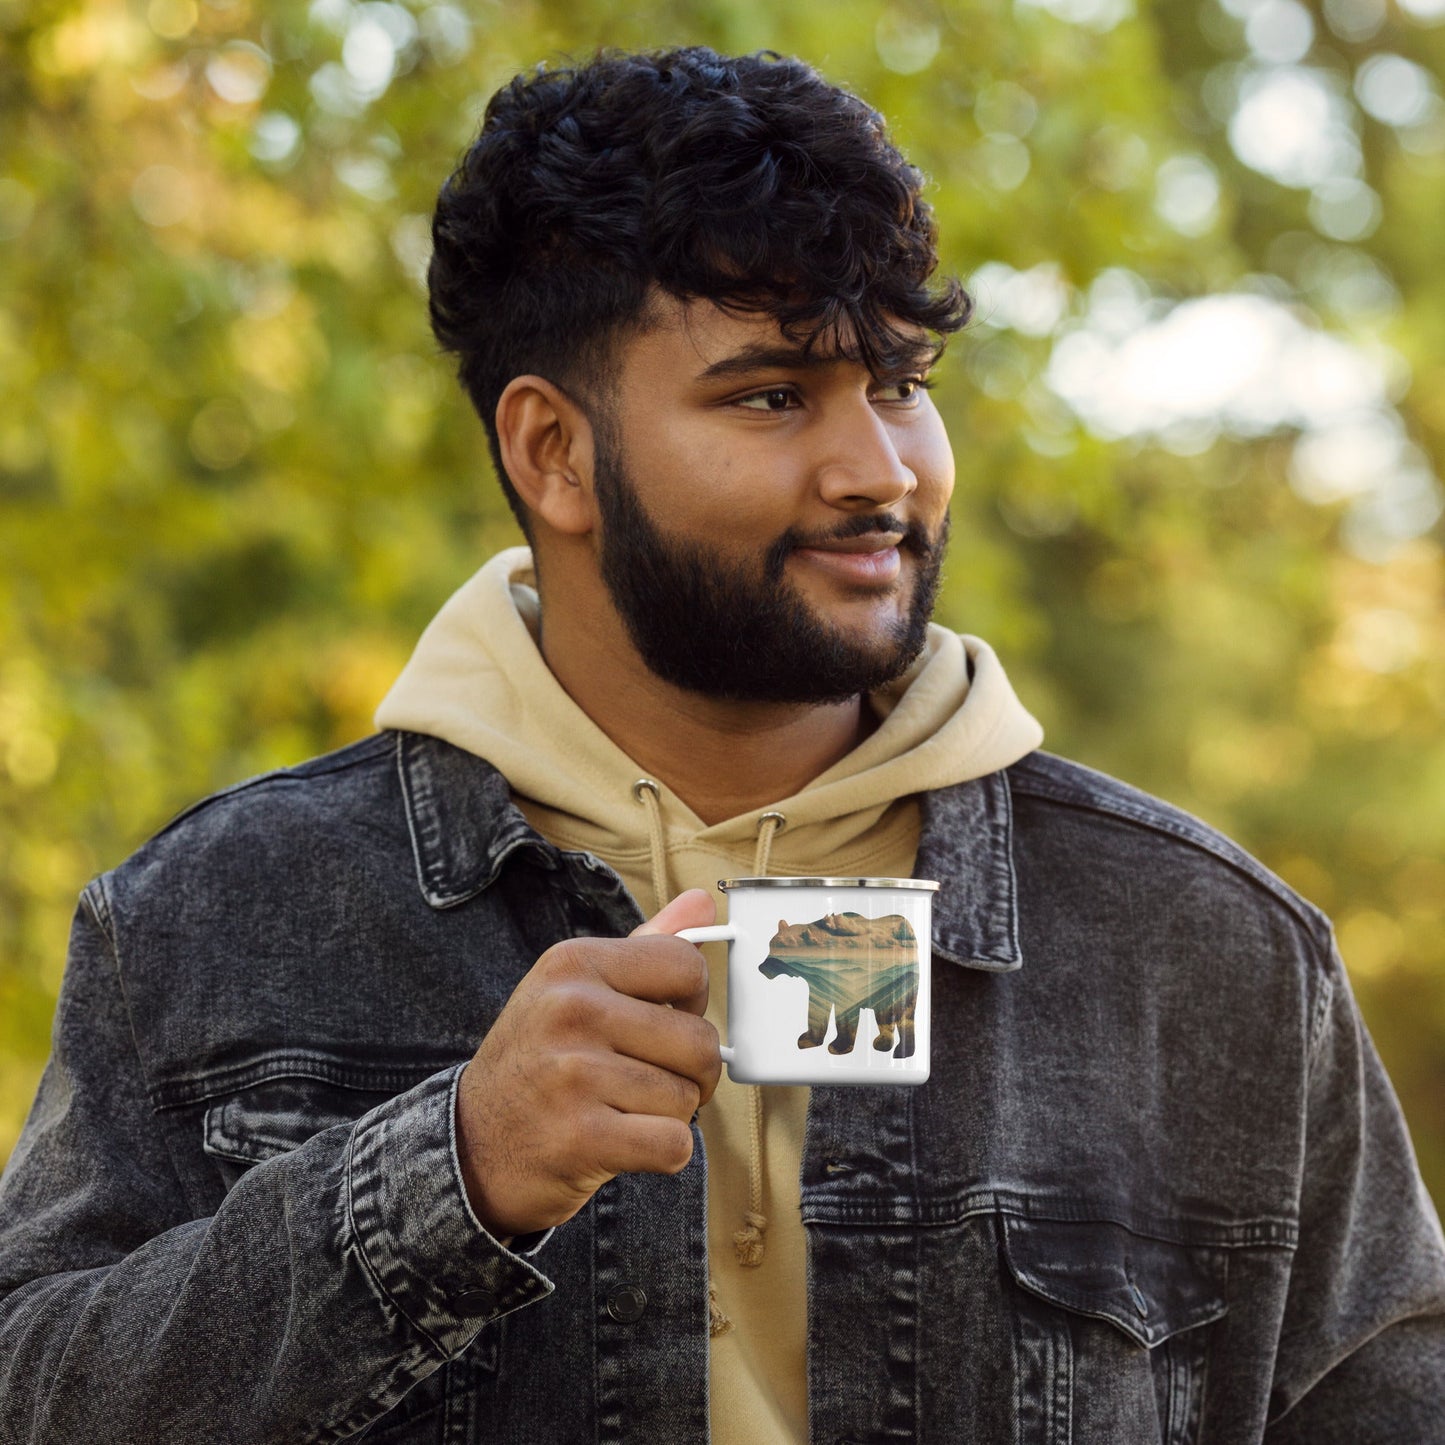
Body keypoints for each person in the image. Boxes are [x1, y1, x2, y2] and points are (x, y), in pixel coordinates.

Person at [1, 44, 1442, 1445]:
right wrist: (443, 1177)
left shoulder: (1209, 951)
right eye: (771, 394)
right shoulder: (208, 919)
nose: (877, 470)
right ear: (551, 452)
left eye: (899, 381)